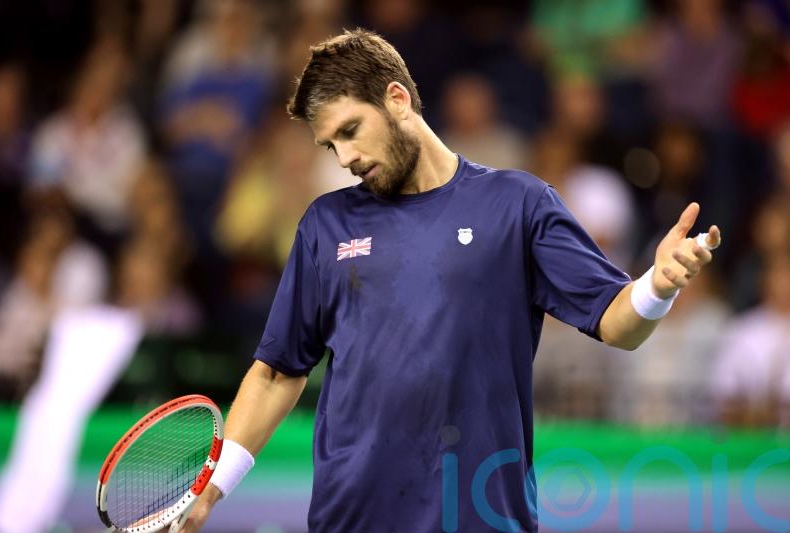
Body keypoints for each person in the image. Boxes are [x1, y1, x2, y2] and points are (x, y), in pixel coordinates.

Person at [178, 29, 721, 533]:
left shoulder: (518, 204)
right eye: (330, 146)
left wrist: (658, 284)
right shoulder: (326, 224)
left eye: (350, 131)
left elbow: (617, 323)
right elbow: (276, 374)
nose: (345, 158)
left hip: (482, 518)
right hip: (351, 520)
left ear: (397, 99)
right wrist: (210, 491)